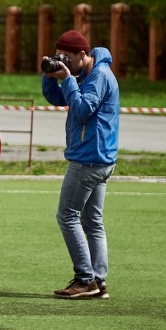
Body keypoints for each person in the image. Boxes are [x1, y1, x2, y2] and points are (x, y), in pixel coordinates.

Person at [41, 29, 120, 300]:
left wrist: (68, 80)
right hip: (99, 158)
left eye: (67, 58)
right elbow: (59, 99)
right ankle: (98, 280)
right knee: (92, 221)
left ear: (83, 55)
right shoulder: (87, 73)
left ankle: (85, 279)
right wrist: (50, 77)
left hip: (88, 160)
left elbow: (83, 109)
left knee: (67, 216)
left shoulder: (99, 76)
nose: (65, 62)